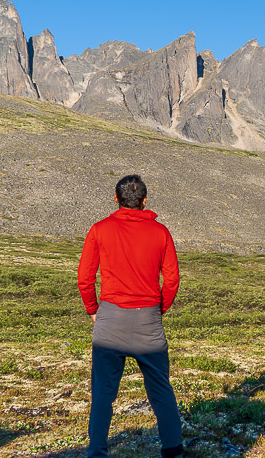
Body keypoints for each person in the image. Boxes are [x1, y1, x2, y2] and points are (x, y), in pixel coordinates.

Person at [77, 174, 184, 458]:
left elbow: (85, 278)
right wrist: (158, 309)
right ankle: (173, 450)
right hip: (148, 320)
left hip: (110, 320)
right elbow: (172, 280)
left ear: (116, 198)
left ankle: (97, 452)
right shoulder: (160, 233)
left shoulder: (100, 230)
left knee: (103, 394)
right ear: (144, 201)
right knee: (160, 389)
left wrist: (93, 310)